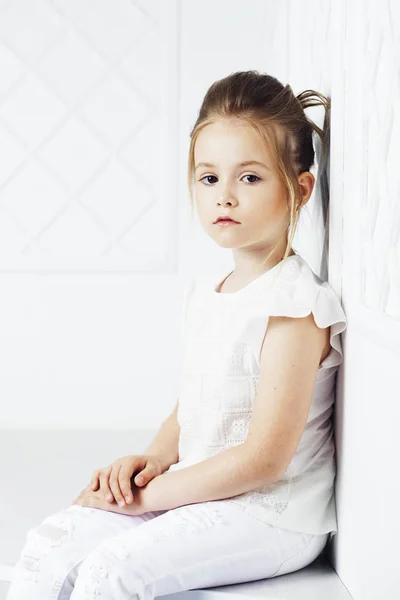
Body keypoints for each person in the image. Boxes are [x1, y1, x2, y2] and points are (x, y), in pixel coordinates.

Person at [6, 70, 348, 600]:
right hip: (200, 489)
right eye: (209, 178)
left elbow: (264, 460)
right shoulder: (210, 291)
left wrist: (150, 499)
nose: (225, 197)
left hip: (271, 514)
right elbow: (192, 405)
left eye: (250, 178)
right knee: (48, 546)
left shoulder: (294, 306)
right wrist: (151, 461)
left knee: (112, 571)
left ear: (300, 189)